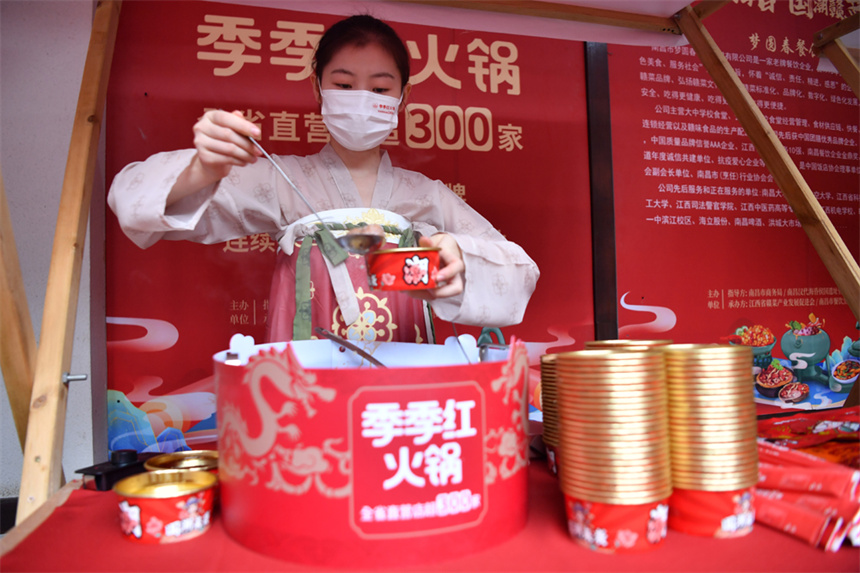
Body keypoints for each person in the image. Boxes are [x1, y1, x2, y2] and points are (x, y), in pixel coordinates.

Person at [108, 14, 539, 344]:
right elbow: (132, 197)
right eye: (344, 84)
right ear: (318, 89)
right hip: (306, 376)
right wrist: (203, 170)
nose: (361, 99)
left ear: (403, 98)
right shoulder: (283, 180)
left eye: (380, 89)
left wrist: (456, 259)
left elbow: (519, 270)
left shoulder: (424, 197)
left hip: (406, 377)